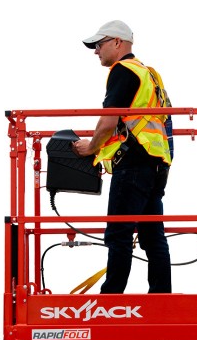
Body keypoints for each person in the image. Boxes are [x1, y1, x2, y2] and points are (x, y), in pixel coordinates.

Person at [72, 20, 173, 294]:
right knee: (153, 237)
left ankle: (111, 299)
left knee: (118, 233)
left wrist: (91, 147)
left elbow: (108, 121)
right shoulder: (150, 74)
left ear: (117, 43)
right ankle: (162, 299)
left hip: (133, 164)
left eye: (99, 44)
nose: (96, 51)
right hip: (156, 164)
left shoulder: (123, 70)